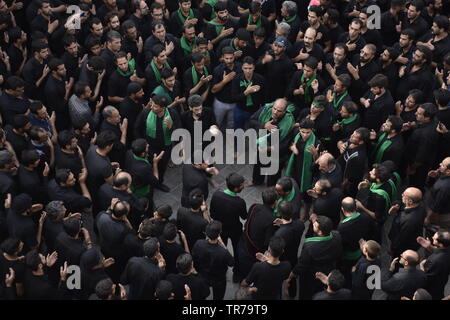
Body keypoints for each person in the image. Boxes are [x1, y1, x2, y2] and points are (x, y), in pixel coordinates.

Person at [289, 215, 342, 300]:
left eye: (314, 225)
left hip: (311, 276)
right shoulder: (337, 236)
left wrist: (291, 275)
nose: (313, 224)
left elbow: (302, 265)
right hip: (328, 270)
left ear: (320, 232)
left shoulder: (309, 246)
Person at [210, 173, 247, 281]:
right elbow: (244, 216)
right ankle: (237, 274)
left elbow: (212, 214)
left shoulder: (216, 195)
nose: (243, 186)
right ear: (236, 188)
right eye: (241, 185)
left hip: (220, 230)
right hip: (235, 230)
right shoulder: (240, 202)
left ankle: (221, 269)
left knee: (221, 249)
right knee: (238, 251)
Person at [192, 221, 234, 300]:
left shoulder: (198, 243)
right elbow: (231, 263)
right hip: (218, 279)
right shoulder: (223, 252)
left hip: (203, 275)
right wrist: (223, 246)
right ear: (219, 234)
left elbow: (194, 257)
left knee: (201, 295)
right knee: (218, 297)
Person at [388, 188, 426, 258]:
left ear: (410, 201)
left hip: (403, 247)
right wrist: (398, 206)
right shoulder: (420, 205)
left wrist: (393, 248)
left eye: (404, 195)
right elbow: (402, 203)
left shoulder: (409, 221)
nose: (401, 195)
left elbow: (401, 239)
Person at [417, 230, 450, 300]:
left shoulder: (435, 261)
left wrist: (421, 266)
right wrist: (429, 246)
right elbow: (441, 251)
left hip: (432, 287)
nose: (432, 237)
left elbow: (426, 277)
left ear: (440, 244)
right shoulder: (447, 248)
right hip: (442, 279)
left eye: (434, 239)